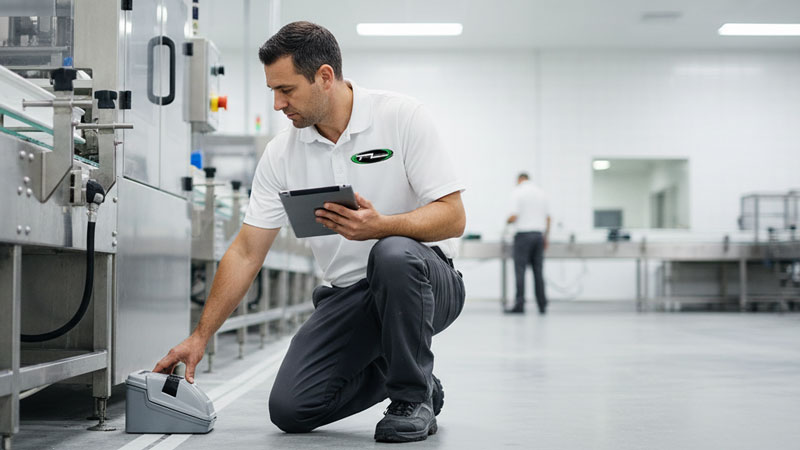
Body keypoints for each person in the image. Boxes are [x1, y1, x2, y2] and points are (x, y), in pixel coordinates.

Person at [153, 21, 466, 443]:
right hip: (349, 295)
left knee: (391, 252)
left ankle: (411, 399)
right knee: (292, 408)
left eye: (287, 90)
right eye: (273, 92)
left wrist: (381, 226)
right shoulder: (282, 154)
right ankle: (408, 374)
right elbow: (247, 250)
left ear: (324, 77)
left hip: (426, 282)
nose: (279, 104)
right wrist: (200, 335)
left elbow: (453, 216)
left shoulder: (401, 117)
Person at [506, 172, 550, 314]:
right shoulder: (541, 193)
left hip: (523, 236)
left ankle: (520, 305)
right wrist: (546, 237)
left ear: (519, 180)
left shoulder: (518, 192)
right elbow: (548, 218)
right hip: (538, 236)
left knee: (520, 271)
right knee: (538, 271)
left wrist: (507, 222)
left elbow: (514, 215)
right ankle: (542, 305)